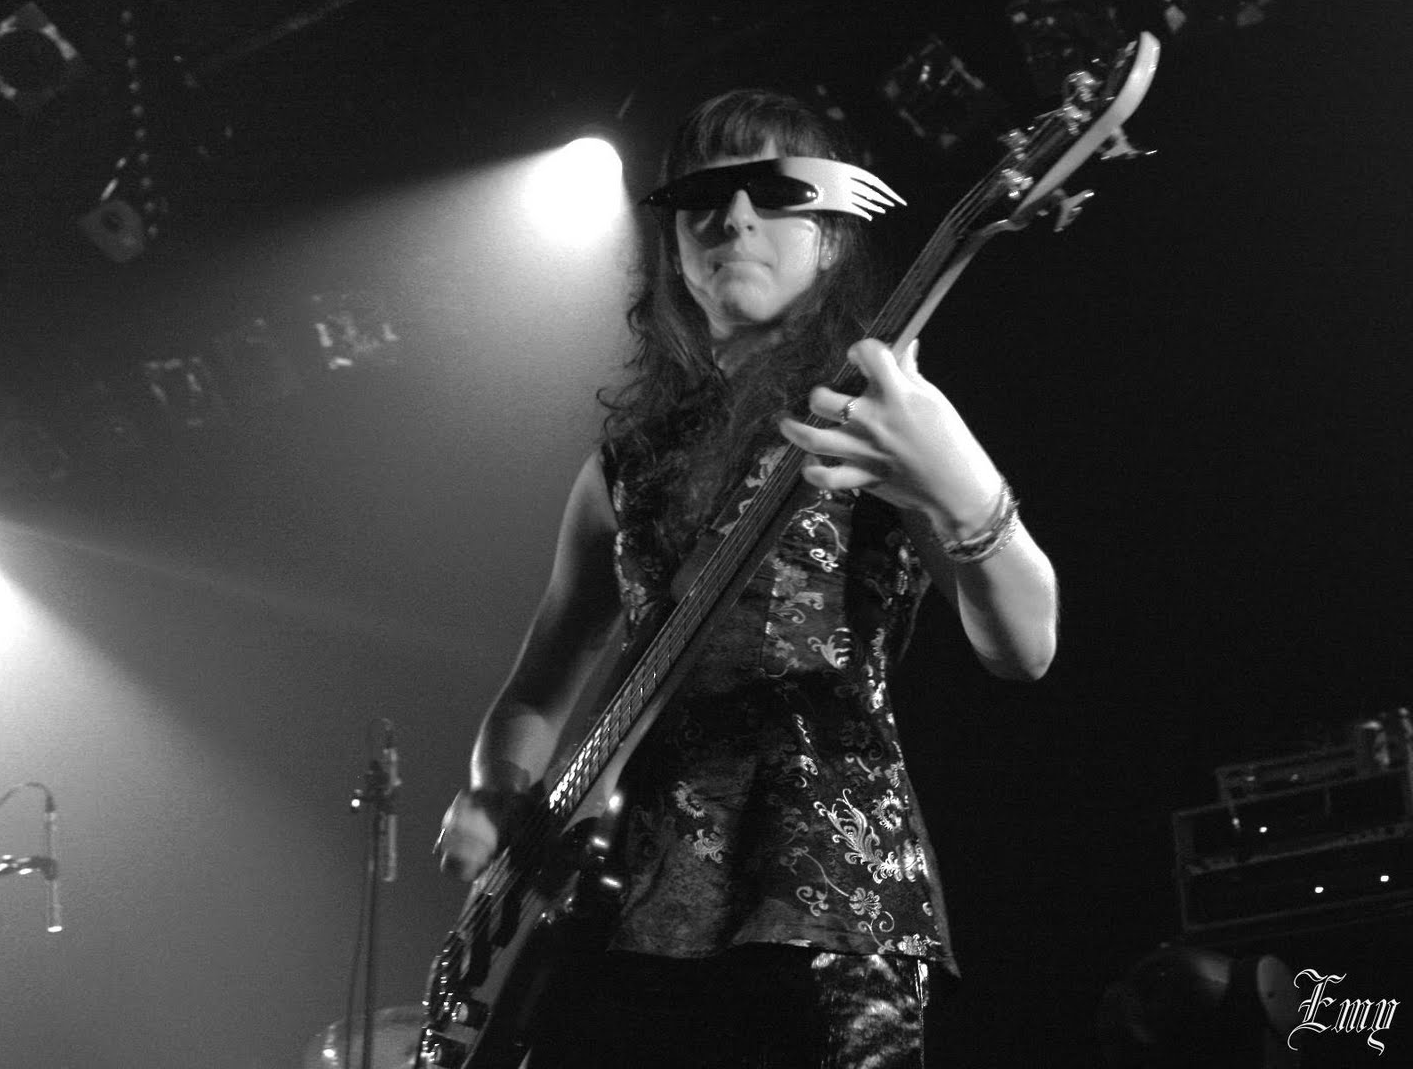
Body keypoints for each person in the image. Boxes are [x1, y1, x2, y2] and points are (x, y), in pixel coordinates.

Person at [435, 89, 1058, 1068]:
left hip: (823, 893)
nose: (732, 219)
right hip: (619, 911)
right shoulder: (624, 467)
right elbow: (534, 689)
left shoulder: (881, 411)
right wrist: (495, 787)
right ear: (673, 246)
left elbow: (1026, 646)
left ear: (834, 235)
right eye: (702, 199)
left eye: (775, 193)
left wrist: (964, 491)